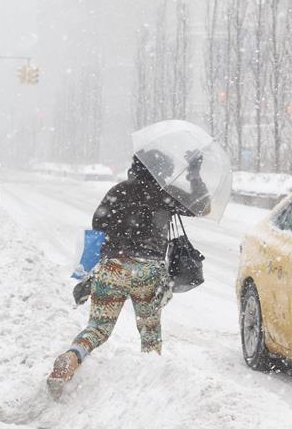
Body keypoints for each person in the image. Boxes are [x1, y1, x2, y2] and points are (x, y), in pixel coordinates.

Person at [47, 149, 209, 399]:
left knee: (98, 327)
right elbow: (203, 206)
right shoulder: (165, 194)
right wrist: (194, 173)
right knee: (150, 332)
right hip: (149, 271)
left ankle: (72, 356)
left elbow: (97, 225)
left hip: (112, 267)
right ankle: (149, 389)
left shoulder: (117, 192)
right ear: (161, 171)